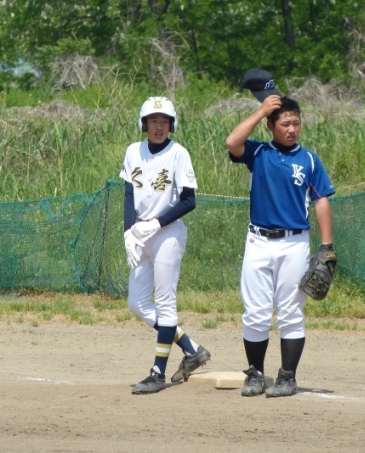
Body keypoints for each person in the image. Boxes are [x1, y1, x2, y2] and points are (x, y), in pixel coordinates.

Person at [225, 69, 335, 397]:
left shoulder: (309, 160)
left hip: (294, 243)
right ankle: (256, 374)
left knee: (290, 312)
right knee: (255, 312)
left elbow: (321, 201)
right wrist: (261, 111)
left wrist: (326, 245)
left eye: (296, 123)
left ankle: (287, 377)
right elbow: (232, 142)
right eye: (285, 123)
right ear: (270, 126)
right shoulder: (259, 153)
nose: (291, 129)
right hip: (258, 241)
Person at [120, 96, 212, 394]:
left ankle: (157, 373)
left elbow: (189, 201)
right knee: (137, 304)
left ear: (172, 125)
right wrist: (128, 233)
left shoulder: (178, 153)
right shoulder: (133, 151)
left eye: (164, 121)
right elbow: (128, 194)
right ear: (143, 124)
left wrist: (155, 224)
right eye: (153, 121)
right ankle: (192, 349)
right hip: (141, 233)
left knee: (165, 303)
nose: (158, 127)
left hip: (167, 234)